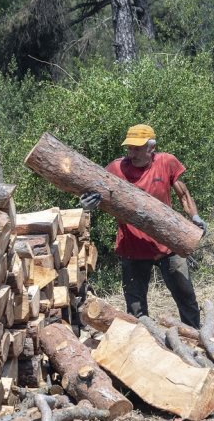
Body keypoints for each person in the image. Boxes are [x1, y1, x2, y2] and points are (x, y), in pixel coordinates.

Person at [79, 124, 206, 328]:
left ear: (151, 148)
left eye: (137, 148)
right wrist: (86, 205)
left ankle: (195, 339)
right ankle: (142, 345)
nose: (132, 153)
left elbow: (183, 194)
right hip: (133, 247)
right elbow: (91, 189)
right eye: (129, 148)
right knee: (136, 309)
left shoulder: (166, 162)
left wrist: (195, 217)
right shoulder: (116, 168)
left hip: (168, 244)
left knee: (186, 296)